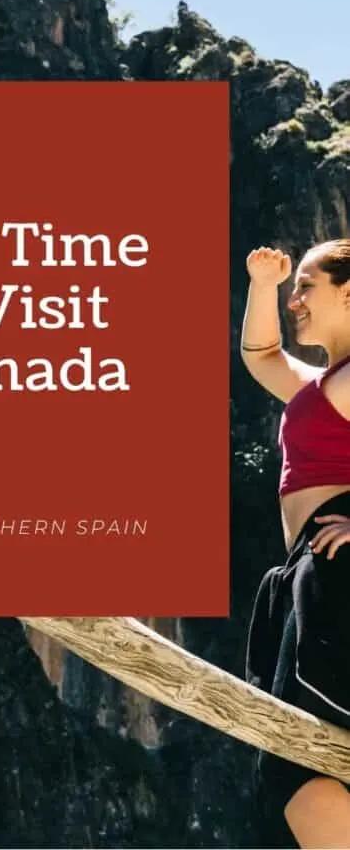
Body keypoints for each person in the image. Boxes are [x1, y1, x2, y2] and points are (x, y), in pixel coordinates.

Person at [241, 239, 350, 848]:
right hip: (316, 574)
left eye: (307, 285)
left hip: (338, 568)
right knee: (300, 760)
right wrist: (263, 283)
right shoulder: (327, 380)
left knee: (305, 762)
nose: (295, 299)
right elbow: (262, 357)